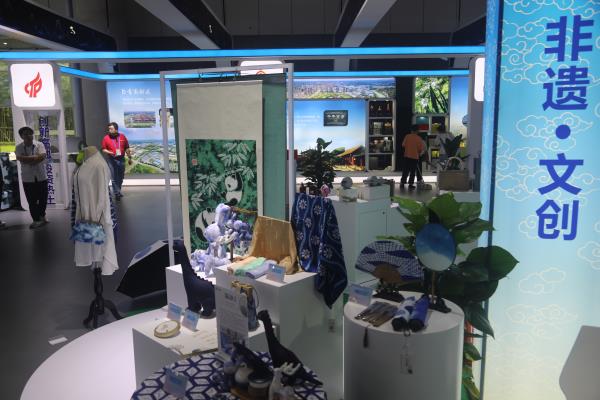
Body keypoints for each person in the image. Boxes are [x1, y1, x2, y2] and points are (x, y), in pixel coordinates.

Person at [15, 126, 49, 228]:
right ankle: (36, 220)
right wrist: (35, 158)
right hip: (27, 179)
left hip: (41, 176)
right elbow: (19, 158)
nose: (29, 135)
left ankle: (42, 215)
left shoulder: (39, 144)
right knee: (31, 200)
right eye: (26, 134)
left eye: (30, 133)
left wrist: (26, 159)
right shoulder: (18, 147)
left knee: (43, 199)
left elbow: (42, 157)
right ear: (21, 136)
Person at [101, 122, 132, 200]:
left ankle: (118, 190)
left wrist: (129, 157)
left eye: (111, 129)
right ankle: (117, 193)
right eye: (109, 129)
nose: (109, 130)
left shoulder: (122, 136)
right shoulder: (106, 138)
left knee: (121, 177)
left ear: (116, 129)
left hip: (121, 159)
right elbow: (103, 149)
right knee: (114, 177)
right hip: (112, 159)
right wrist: (110, 152)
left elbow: (127, 147)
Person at [400, 124, 426, 190]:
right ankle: (410, 184)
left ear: (411, 130)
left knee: (405, 170)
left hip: (407, 156)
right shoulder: (419, 138)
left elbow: (403, 145)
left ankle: (402, 183)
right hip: (415, 157)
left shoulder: (407, 136)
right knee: (413, 171)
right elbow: (420, 149)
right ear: (418, 131)